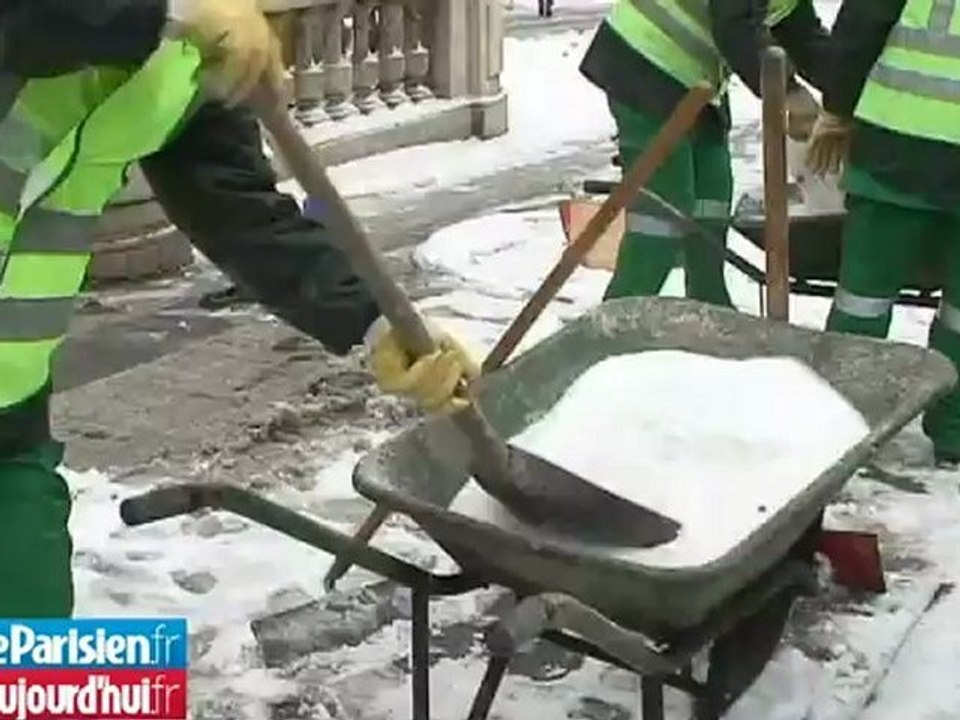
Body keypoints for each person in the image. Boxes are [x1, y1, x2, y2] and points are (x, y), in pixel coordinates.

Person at [0, 0, 477, 617]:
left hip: (12, 418)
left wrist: (373, 320)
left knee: (40, 669)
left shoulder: (194, 54)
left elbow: (238, 206)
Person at [579, 0, 831, 305]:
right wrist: (789, 92)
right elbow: (734, 26)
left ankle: (710, 304)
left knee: (712, 199)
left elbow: (802, 35)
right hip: (643, 60)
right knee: (665, 208)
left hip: (696, 83)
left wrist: (848, 97)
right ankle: (621, 317)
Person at [807, 0, 960, 468]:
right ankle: (954, 432)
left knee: (864, 298)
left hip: (896, 149)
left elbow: (862, 26)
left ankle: (842, 423)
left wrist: (836, 108)